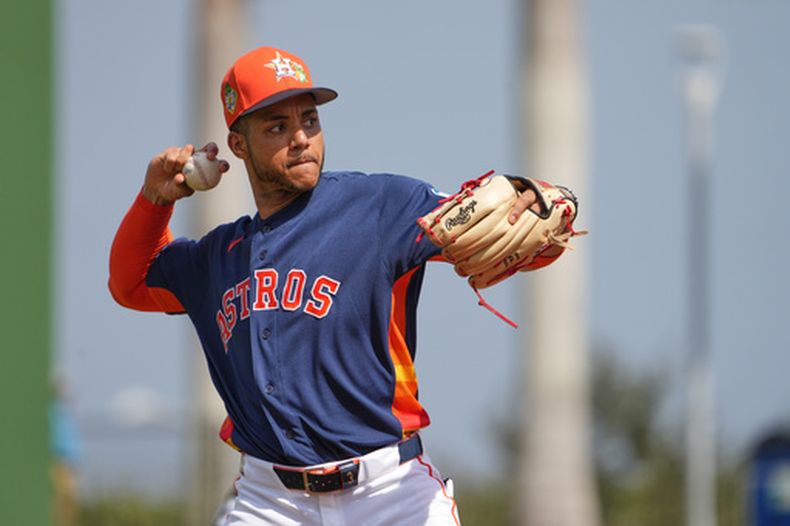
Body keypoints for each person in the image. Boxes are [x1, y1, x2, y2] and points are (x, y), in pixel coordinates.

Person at [109, 46, 559, 526]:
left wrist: (544, 207)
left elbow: (511, 233)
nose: (301, 138)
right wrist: (154, 201)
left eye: (310, 119)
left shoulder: (380, 206)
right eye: (277, 126)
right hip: (270, 502)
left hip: (391, 493)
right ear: (237, 145)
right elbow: (130, 283)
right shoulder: (215, 259)